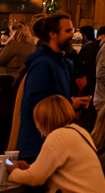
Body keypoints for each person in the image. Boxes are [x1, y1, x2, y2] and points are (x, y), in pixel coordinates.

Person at [14, 15, 78, 162]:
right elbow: (35, 104)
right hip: (38, 145)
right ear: (52, 34)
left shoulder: (64, 62)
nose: (72, 35)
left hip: (57, 141)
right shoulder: (42, 64)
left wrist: (74, 102)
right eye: (68, 31)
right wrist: (68, 104)